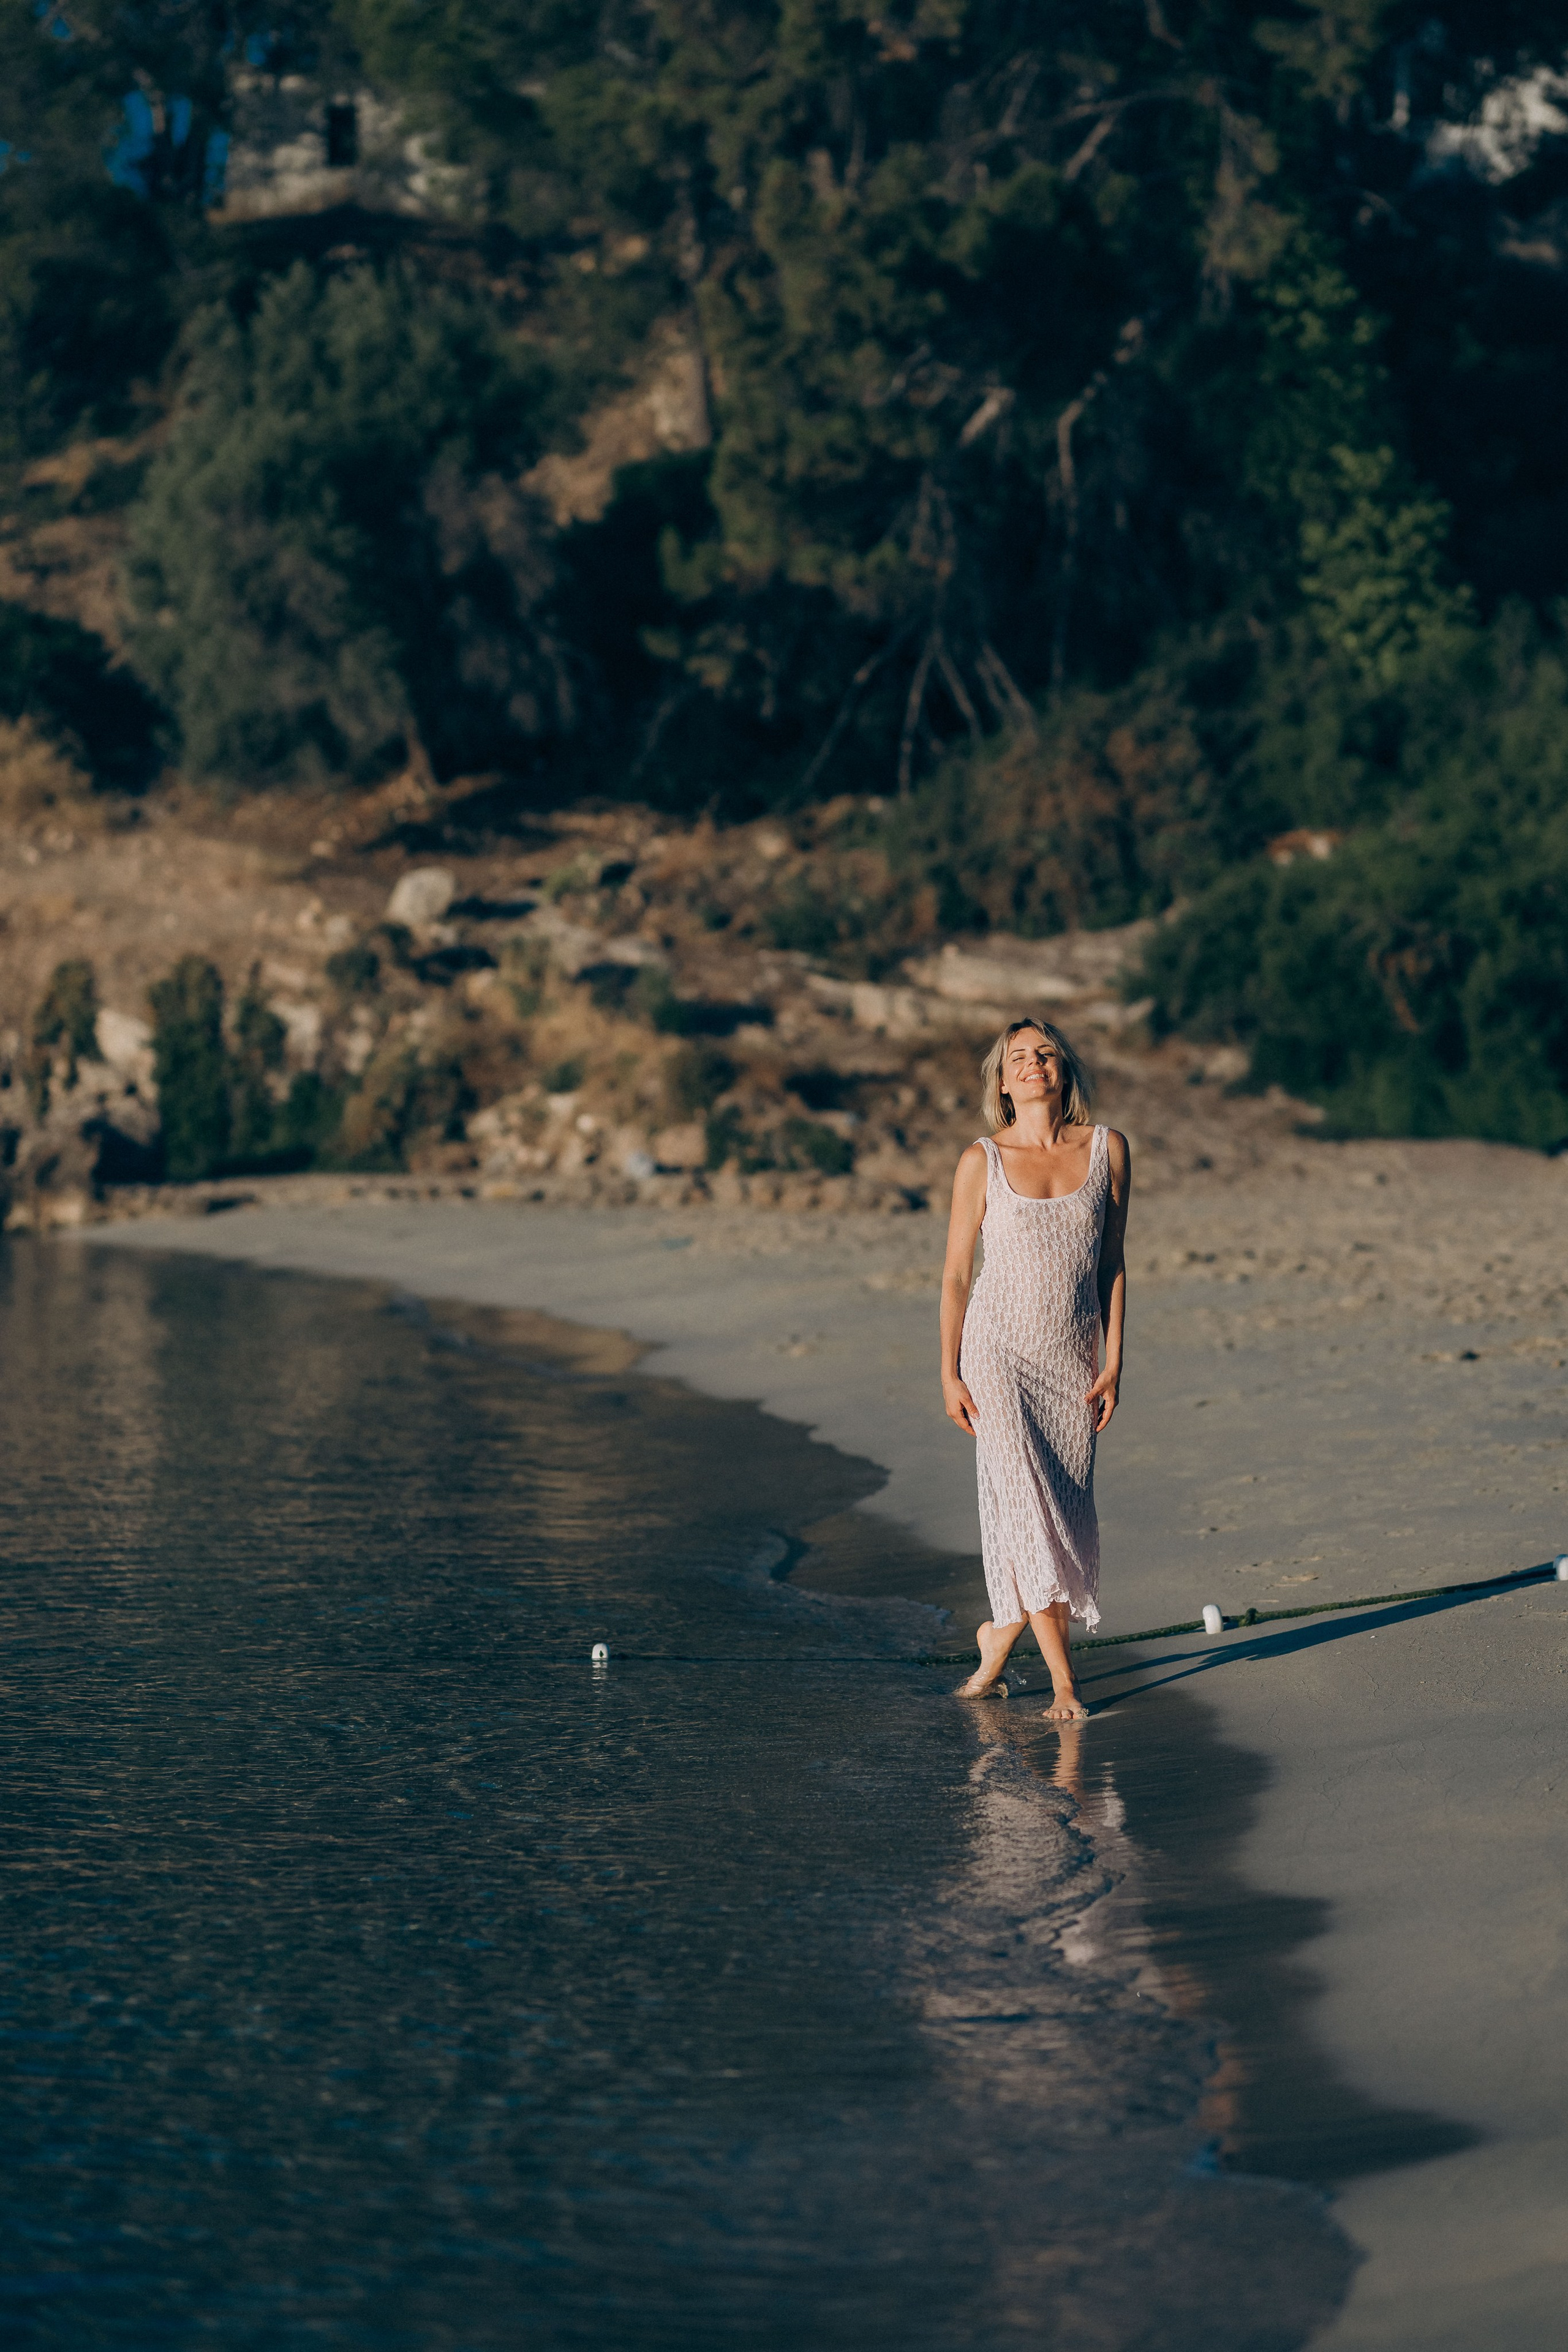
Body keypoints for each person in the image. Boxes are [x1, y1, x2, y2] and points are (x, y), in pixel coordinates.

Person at [939, 1019, 1131, 1723]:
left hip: (1070, 1359)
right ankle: (1063, 1687)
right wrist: (948, 1370)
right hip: (996, 1352)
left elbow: (1110, 1261)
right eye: (1018, 1057)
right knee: (1028, 1512)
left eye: (1045, 1053)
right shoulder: (980, 1159)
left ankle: (998, 1639)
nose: (1032, 1064)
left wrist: (1114, 1359)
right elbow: (958, 1275)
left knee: (1061, 1517)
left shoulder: (1107, 1149)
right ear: (1001, 1080)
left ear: (1064, 1070)